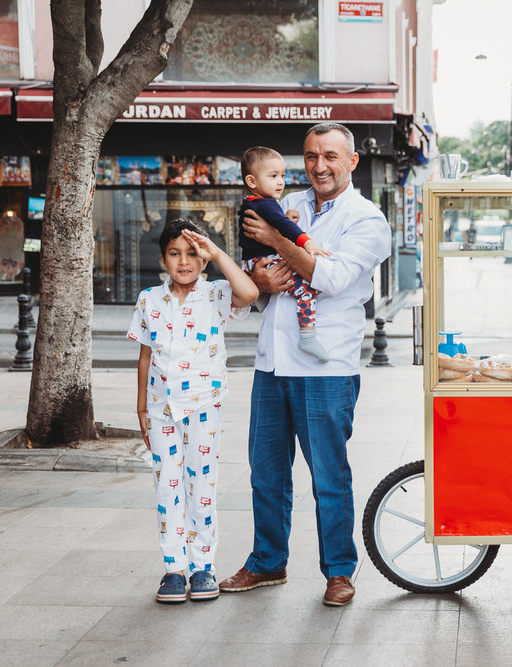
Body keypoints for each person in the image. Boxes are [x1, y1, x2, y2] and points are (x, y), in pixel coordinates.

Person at [218, 122, 391, 607]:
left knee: (328, 476)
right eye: (312, 156)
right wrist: (261, 278)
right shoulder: (284, 201)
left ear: (352, 161)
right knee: (265, 473)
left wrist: (278, 243)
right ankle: (267, 562)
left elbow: (331, 277)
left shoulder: (367, 219)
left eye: (331, 156)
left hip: (327, 369)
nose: (319, 165)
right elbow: (254, 265)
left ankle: (339, 571)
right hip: (272, 364)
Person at [127, 219, 258, 604]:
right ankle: (174, 568)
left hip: (203, 403)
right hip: (160, 407)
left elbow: (249, 293)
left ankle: (203, 567)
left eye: (192, 253)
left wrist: (216, 252)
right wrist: (140, 406)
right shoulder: (149, 300)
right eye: (174, 253)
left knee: (201, 487)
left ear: (203, 259)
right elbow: (145, 355)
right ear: (163, 259)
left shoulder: (217, 294)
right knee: (167, 485)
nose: (183, 262)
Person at [238, 146, 332, 362]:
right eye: (273, 176)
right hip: (266, 262)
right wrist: (307, 243)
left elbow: (275, 226)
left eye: (282, 175)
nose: (280, 182)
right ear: (252, 182)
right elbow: (279, 226)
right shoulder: (267, 203)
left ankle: (263, 297)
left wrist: (284, 220)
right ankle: (307, 335)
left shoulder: (252, 203)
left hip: (252, 263)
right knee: (307, 288)